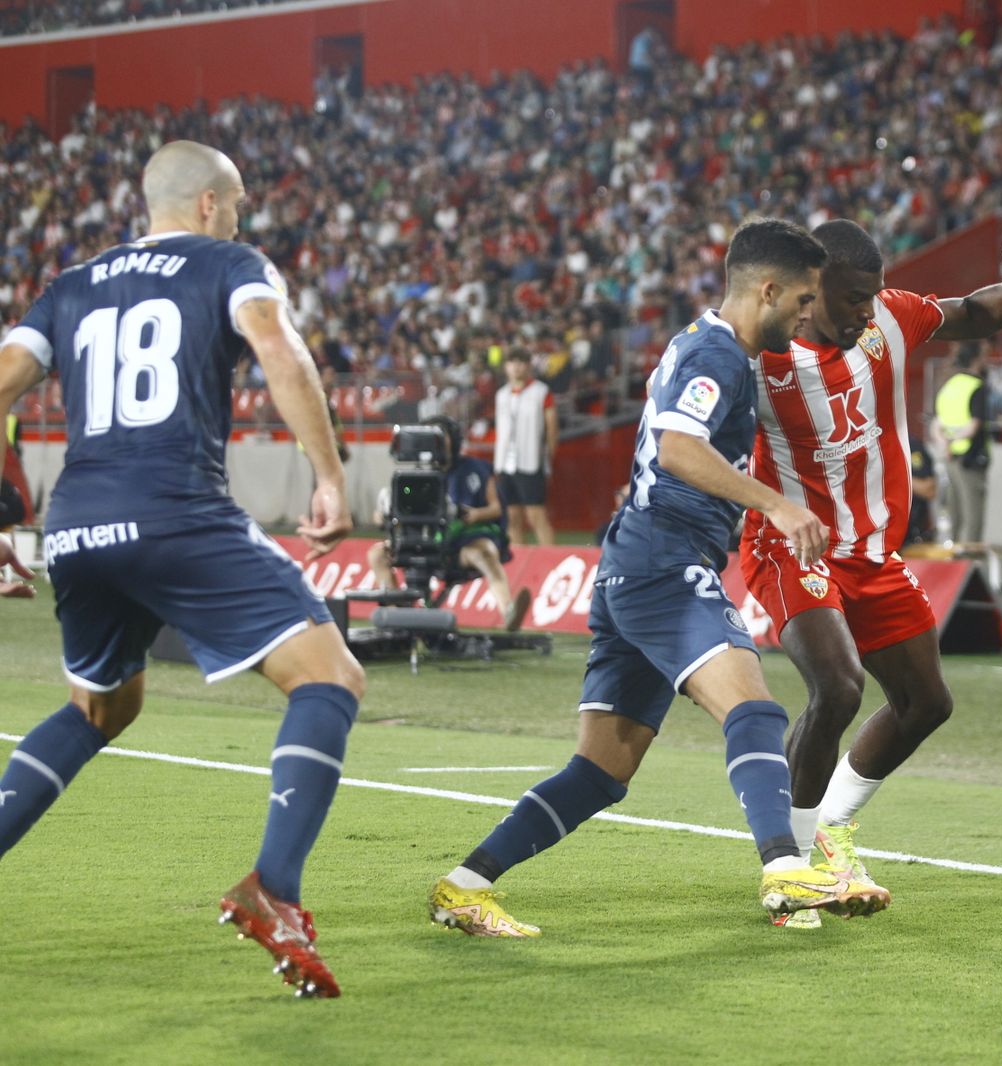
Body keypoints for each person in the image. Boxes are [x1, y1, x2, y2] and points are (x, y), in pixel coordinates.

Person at [427, 217, 888, 937]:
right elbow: (678, 448)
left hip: (634, 566)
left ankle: (464, 886)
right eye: (800, 301)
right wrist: (776, 502)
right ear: (766, 290)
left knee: (600, 771)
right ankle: (784, 869)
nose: (806, 315)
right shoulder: (719, 354)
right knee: (756, 709)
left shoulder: (704, 346)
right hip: (661, 563)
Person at [0, 141, 363, 998]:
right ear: (207, 205)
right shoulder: (230, 262)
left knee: (101, 706)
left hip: (77, 524)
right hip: (174, 510)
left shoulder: (70, 285)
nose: (238, 218)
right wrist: (329, 474)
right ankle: (274, 889)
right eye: (234, 203)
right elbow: (276, 343)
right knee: (330, 677)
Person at [741, 219, 1002, 928]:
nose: (864, 311)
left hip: (874, 553)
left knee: (926, 703)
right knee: (839, 686)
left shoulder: (889, 317)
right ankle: (789, 874)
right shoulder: (761, 356)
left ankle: (832, 834)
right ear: (810, 292)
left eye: (872, 297)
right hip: (794, 546)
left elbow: (978, 312)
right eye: (852, 299)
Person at [367, 415, 532, 631]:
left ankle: (508, 610)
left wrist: (473, 515)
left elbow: (495, 508)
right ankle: (398, 615)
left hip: (459, 546)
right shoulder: (411, 476)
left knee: (484, 552)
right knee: (376, 554)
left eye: (439, 436)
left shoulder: (476, 468)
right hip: (420, 544)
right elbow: (388, 508)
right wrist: (381, 516)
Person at [493, 346, 558, 545]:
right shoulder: (501, 394)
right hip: (505, 462)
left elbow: (551, 427)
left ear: (528, 366)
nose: (516, 368)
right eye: (512, 363)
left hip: (531, 460)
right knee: (511, 517)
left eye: (521, 363)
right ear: (506, 367)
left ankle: (550, 562)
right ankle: (518, 561)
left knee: (535, 514)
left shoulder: (541, 391)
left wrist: (548, 458)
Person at [936, 342, 992, 543]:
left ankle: (950, 554)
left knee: (954, 510)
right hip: (970, 459)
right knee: (973, 512)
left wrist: (946, 444)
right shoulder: (977, 386)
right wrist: (957, 439)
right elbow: (973, 427)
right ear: (977, 359)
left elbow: (937, 424)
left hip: (950, 457)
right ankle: (970, 560)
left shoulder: (949, 385)